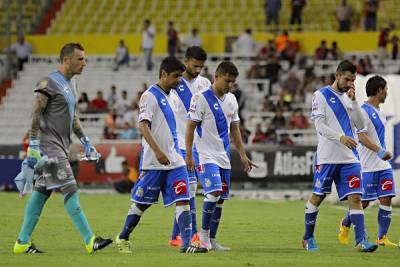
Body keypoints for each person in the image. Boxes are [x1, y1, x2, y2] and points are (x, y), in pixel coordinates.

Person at [13, 43, 112, 254]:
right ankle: (90, 239)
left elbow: (73, 116)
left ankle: (22, 242)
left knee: (41, 193)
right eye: (80, 59)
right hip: (50, 149)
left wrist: (85, 140)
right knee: (70, 189)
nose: (84, 63)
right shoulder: (48, 83)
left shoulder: (72, 84)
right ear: (66, 60)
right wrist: (33, 145)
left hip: (61, 146)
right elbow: (36, 114)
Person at [115, 56, 208, 254]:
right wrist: (157, 151)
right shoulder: (149, 96)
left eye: (180, 77)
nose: (179, 81)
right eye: (175, 77)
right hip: (154, 162)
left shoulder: (173, 96)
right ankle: (123, 237)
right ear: (163, 74)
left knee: (184, 198)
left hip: (175, 159)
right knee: (142, 204)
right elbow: (142, 125)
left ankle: (186, 244)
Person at [302, 60, 377, 252]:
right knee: (318, 197)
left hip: (350, 158)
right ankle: (307, 238)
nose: (350, 83)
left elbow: (362, 126)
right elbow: (319, 126)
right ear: (337, 75)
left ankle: (361, 241)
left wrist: (353, 101)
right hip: (327, 157)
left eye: (353, 80)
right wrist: (341, 137)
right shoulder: (321, 95)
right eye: (347, 79)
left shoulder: (349, 98)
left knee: (356, 198)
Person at [186, 61, 257, 251]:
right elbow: (190, 127)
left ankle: (212, 240)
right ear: (216, 77)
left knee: (221, 198)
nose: (230, 85)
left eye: (233, 82)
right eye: (227, 81)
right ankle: (202, 236)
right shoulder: (200, 98)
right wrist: (189, 155)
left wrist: (242, 155)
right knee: (214, 191)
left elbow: (235, 128)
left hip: (223, 156)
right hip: (204, 155)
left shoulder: (232, 99)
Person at [338, 75, 397, 248]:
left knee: (387, 198)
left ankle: (382, 237)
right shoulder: (362, 111)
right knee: (364, 203)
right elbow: (361, 137)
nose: (387, 92)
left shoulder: (380, 112)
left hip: (383, 166)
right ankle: (345, 223)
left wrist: (383, 154)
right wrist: (379, 151)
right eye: (385, 89)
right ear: (379, 90)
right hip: (368, 166)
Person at [168, 46, 211, 247]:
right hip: (181, 142)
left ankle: (175, 236)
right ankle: (191, 233)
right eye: (194, 66)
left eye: (201, 67)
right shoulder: (174, 84)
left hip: (201, 143)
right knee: (191, 187)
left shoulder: (205, 83)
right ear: (186, 61)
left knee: (193, 189)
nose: (197, 71)